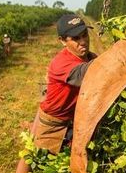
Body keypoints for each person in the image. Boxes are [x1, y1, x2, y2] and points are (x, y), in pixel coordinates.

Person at [33, 14, 97, 153]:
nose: (83, 41)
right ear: (62, 41)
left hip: (74, 121)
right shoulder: (61, 63)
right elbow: (88, 74)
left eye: (85, 35)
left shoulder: (90, 57)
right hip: (54, 126)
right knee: (46, 166)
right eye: (75, 38)